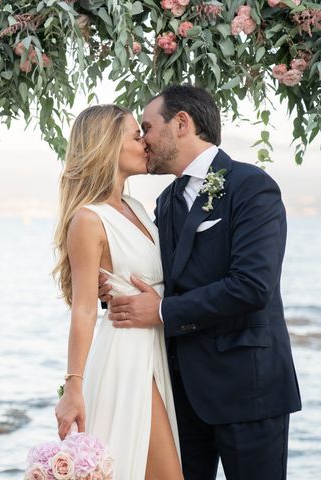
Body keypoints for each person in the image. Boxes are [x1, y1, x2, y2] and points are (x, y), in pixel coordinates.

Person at [101, 84, 302, 480]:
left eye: (147, 127)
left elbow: (252, 285)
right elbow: (162, 278)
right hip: (183, 393)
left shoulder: (251, 186)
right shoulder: (166, 202)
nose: (143, 140)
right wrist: (115, 291)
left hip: (249, 389)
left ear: (181, 123)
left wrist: (160, 310)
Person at [53, 104, 183, 480]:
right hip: (125, 359)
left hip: (155, 350)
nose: (145, 143)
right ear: (108, 146)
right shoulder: (88, 219)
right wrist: (73, 387)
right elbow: (84, 310)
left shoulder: (138, 208)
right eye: (135, 135)